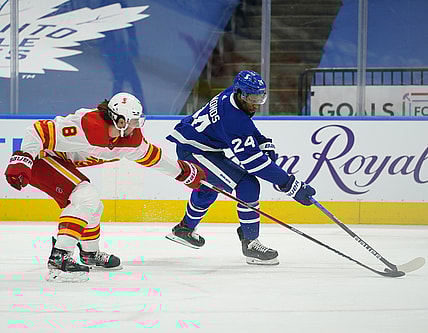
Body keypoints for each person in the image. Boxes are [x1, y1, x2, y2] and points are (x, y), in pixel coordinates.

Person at [4, 92, 206, 283]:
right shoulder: (86, 125)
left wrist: (183, 172)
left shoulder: (130, 141)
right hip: (42, 158)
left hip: (59, 161)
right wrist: (24, 159)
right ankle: (60, 258)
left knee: (93, 205)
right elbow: (38, 131)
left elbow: (153, 157)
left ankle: (89, 254)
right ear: (119, 120)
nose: (136, 126)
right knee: (85, 197)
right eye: (133, 121)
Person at [165, 70, 316, 265]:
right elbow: (255, 165)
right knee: (247, 184)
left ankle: (184, 229)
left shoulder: (233, 96)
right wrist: (290, 185)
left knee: (209, 189)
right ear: (241, 94)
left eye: (260, 97)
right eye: (252, 98)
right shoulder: (233, 119)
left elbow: (245, 125)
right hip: (194, 151)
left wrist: (261, 141)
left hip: (196, 145)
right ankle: (250, 242)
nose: (256, 103)